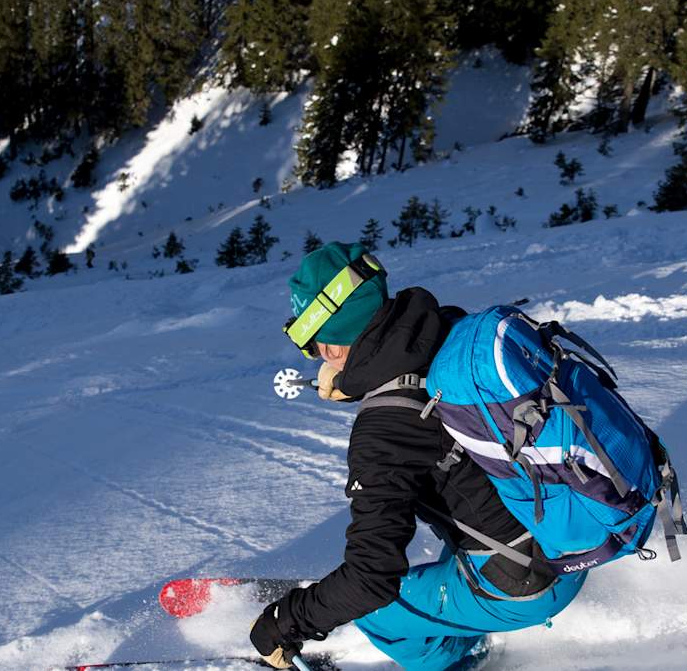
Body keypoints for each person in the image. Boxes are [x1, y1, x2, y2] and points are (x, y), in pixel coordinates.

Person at [249, 242, 585, 671]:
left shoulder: (383, 431)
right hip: (570, 532)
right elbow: (416, 404)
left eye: (311, 346)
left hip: (526, 581)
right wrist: (361, 382)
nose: (315, 358)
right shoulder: (447, 330)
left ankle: (459, 662)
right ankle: (461, 611)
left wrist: (285, 623)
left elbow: (372, 579)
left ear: (329, 344)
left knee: (374, 613)